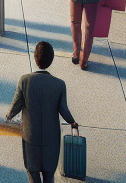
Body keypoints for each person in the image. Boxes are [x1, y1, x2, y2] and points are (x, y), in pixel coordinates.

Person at [6, 41, 78, 183]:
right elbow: (63, 109)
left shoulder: (24, 80)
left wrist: (7, 119)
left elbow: (15, 106)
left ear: (35, 57)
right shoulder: (59, 84)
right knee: (49, 174)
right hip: (50, 138)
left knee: (32, 173)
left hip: (30, 137)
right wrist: (72, 122)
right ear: (51, 60)